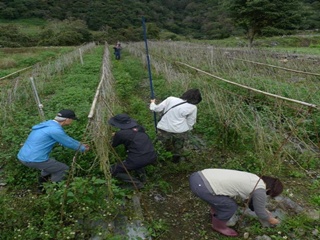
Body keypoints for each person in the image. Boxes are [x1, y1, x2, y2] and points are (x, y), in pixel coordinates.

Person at [189, 168, 283, 237]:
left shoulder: (255, 178)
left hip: (199, 175)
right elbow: (260, 212)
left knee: (223, 198)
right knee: (230, 206)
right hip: (202, 187)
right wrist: (271, 219)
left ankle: (215, 210)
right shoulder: (260, 190)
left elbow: (251, 201)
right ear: (269, 189)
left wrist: (263, 208)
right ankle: (218, 226)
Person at [17, 109, 90, 193]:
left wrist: (80, 144)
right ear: (67, 119)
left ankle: (41, 189)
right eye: (72, 119)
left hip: (23, 156)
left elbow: (66, 139)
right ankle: (53, 190)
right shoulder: (55, 130)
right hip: (34, 159)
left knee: (50, 165)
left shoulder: (47, 125)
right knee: (63, 169)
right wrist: (83, 148)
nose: (72, 121)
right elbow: (68, 142)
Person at [149, 88, 202, 162]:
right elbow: (191, 121)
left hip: (164, 128)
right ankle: (175, 162)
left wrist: (152, 103)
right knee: (178, 149)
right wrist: (187, 129)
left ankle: (158, 160)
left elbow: (156, 109)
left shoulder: (170, 99)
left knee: (160, 145)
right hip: (180, 131)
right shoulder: (193, 107)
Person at [108, 113, 157, 189]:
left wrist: (114, 136)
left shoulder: (120, 134)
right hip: (151, 155)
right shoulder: (139, 128)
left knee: (112, 169)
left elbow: (111, 145)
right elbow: (130, 134)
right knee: (138, 159)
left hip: (137, 159)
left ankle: (136, 184)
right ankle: (143, 178)